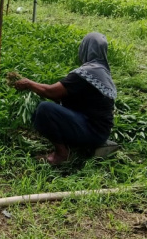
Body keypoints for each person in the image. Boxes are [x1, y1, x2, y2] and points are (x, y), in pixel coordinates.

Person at [13, 32, 116, 165]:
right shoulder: (101, 70)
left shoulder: (88, 72)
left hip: (93, 132)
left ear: (86, 48)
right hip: (99, 131)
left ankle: (62, 154)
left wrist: (29, 84)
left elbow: (51, 92)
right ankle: (71, 144)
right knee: (41, 112)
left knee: (45, 109)